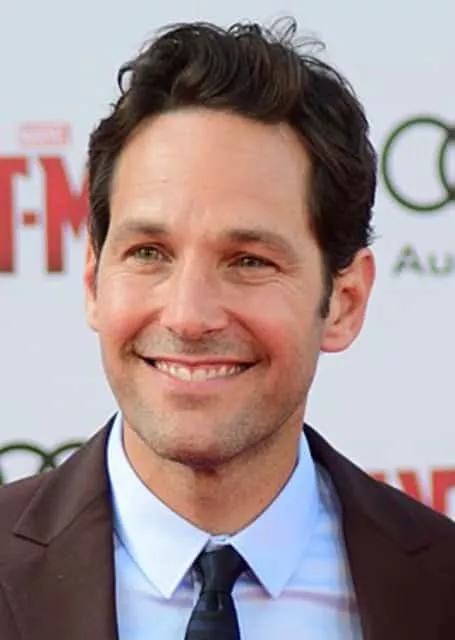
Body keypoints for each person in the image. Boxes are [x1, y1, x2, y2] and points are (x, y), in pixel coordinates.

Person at [1, 18, 455, 640]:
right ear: (92, 281)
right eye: (148, 253)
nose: (188, 316)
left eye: (249, 261)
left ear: (344, 302)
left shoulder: (440, 587)